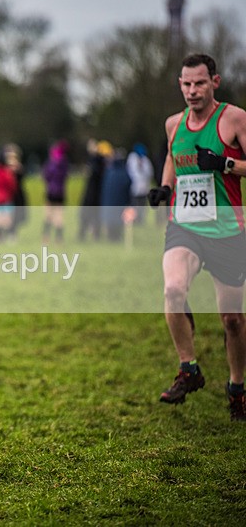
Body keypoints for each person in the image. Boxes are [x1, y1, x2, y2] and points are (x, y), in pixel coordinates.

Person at [147, 53, 246, 421]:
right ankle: (188, 369)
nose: (192, 90)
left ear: (214, 82)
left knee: (232, 320)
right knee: (173, 290)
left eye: (200, 83)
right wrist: (164, 188)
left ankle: (237, 387)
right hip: (185, 226)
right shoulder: (174, 124)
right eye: (186, 84)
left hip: (227, 231)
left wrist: (225, 164)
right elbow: (173, 158)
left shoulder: (234, 119)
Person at [78, 139, 107, 241]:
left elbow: (94, 174)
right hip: (92, 192)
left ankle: (94, 235)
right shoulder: (93, 160)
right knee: (87, 216)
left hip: (95, 194)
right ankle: (85, 235)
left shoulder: (98, 161)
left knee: (92, 216)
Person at [41, 139, 70, 244]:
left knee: (48, 215)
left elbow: (45, 176)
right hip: (61, 192)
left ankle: (46, 237)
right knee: (59, 216)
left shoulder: (51, 164)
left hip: (51, 192)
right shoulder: (64, 164)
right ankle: (59, 239)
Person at [126, 142, 154, 224]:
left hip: (144, 189)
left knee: (142, 207)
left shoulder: (146, 161)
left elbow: (150, 173)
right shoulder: (132, 160)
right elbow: (131, 173)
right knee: (134, 206)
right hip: (134, 188)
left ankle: (140, 221)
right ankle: (133, 221)